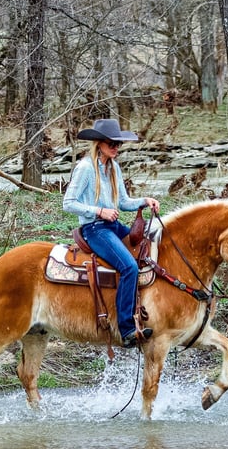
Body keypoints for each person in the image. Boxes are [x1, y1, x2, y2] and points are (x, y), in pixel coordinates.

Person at [63, 118, 161, 348]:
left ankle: (145, 310)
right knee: (129, 267)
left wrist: (145, 201)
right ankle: (125, 328)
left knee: (146, 253)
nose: (116, 147)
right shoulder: (86, 168)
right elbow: (68, 203)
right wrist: (99, 211)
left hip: (112, 226)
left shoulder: (113, 168)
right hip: (94, 228)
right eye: (111, 143)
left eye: (118, 143)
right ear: (99, 143)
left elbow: (124, 202)